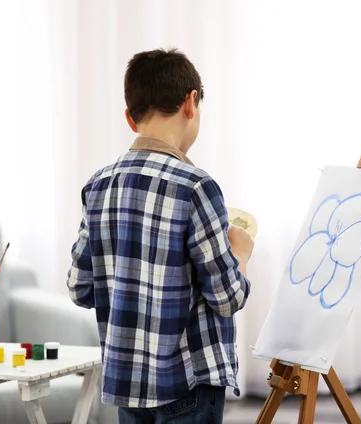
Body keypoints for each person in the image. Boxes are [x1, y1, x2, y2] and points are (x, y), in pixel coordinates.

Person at [66, 48, 254, 424]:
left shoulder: (98, 186)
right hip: (187, 382)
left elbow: (79, 288)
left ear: (130, 118)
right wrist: (240, 253)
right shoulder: (197, 186)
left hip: (127, 385)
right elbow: (226, 296)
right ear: (191, 102)